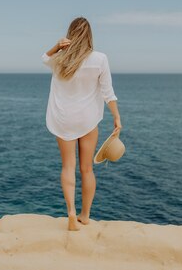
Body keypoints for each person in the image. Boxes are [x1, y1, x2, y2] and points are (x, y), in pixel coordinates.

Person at [41, 16, 122, 231]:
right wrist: (116, 116)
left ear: (70, 35)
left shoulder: (60, 59)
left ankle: (70, 212)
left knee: (68, 166)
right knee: (87, 169)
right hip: (87, 120)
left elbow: (43, 58)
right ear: (89, 36)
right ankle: (85, 216)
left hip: (64, 119)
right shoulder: (100, 59)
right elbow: (108, 92)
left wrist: (56, 47)